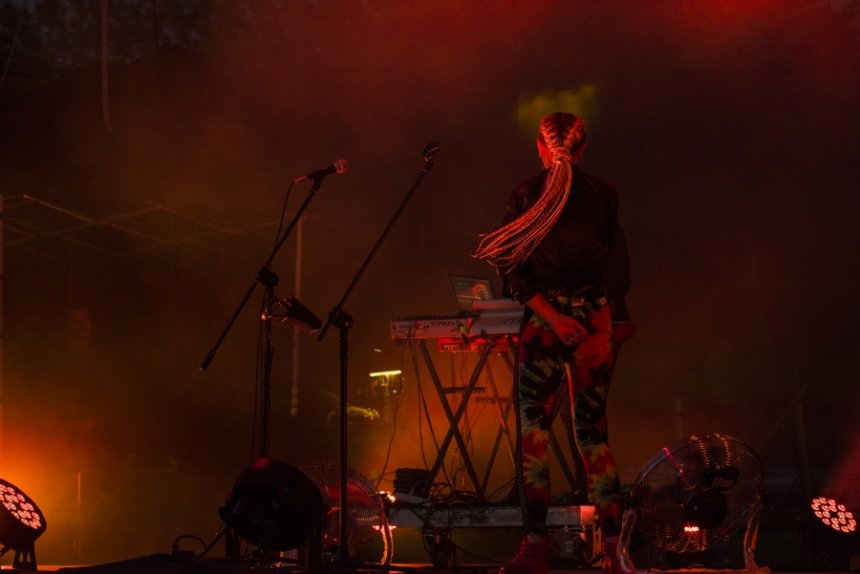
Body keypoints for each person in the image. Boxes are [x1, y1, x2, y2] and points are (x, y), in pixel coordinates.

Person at [475, 112, 632, 574]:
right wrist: (603, 317)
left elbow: (510, 267)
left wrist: (555, 317)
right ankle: (614, 553)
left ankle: (534, 549)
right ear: (582, 150)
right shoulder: (604, 193)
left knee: (533, 437)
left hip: (546, 324)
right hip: (595, 321)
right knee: (594, 437)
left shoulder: (528, 193)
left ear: (540, 148)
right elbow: (615, 266)